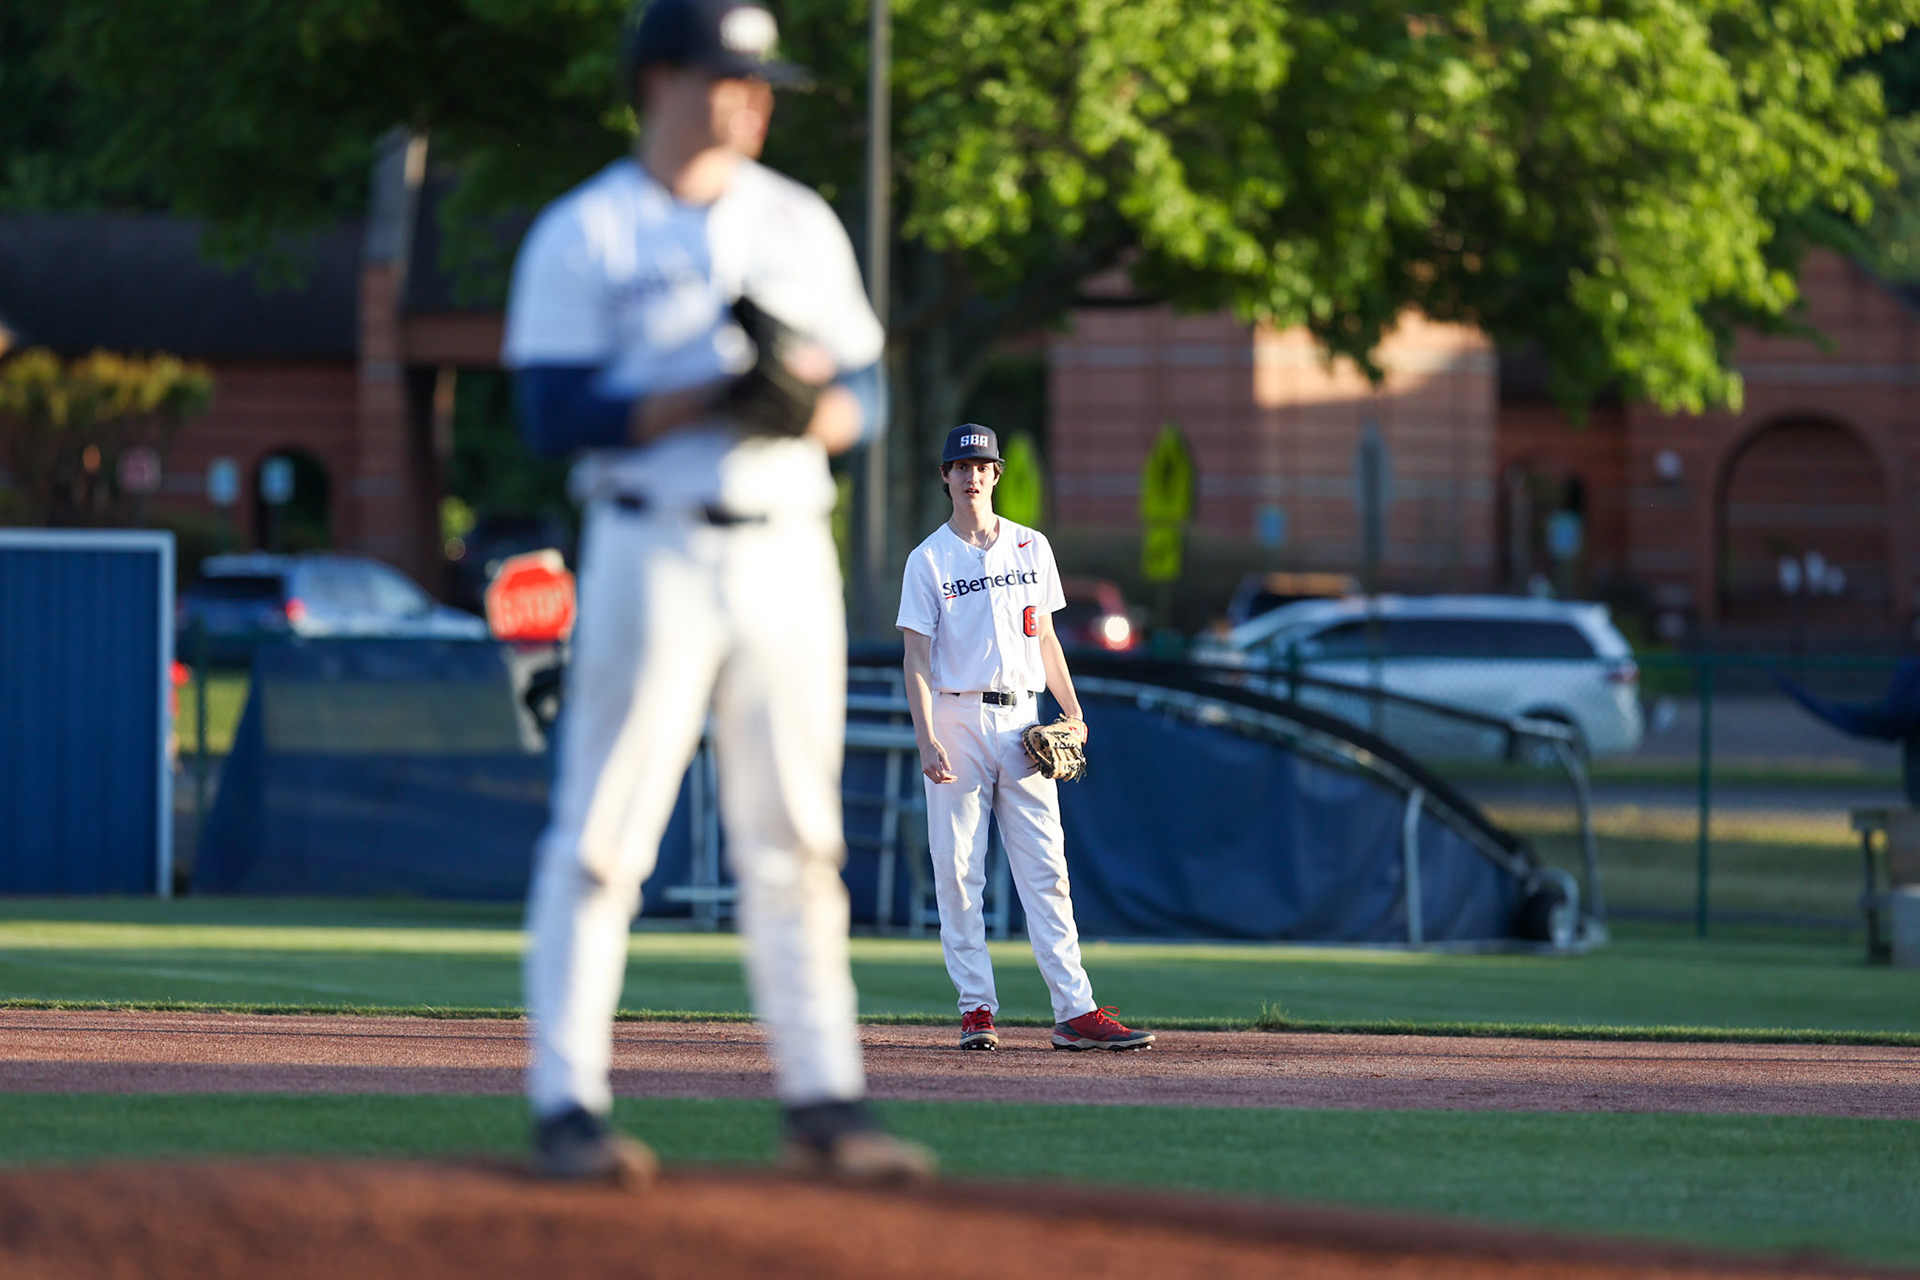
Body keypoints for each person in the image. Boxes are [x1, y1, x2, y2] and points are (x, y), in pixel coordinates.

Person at [502, 0, 933, 1184]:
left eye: (759, 81)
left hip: (790, 541)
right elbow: (553, 413)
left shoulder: (796, 220)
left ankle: (826, 1099)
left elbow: (866, 397)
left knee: (798, 836)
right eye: (725, 75)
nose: (749, 99)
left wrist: (807, 410)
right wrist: (713, 391)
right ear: (660, 80)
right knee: (604, 837)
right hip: (652, 543)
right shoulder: (587, 230)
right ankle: (567, 1104)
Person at [896, 424, 1155, 1053]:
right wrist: (926, 738)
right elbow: (916, 659)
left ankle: (1075, 1010)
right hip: (957, 717)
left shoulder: (1031, 546)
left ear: (996, 474)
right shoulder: (928, 558)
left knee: (1047, 870)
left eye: (981, 465)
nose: (970, 476)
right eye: (959, 466)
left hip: (1024, 720)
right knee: (959, 871)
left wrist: (1072, 710)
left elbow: (1045, 640)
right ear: (946, 477)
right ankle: (977, 1009)